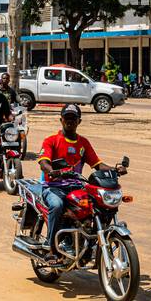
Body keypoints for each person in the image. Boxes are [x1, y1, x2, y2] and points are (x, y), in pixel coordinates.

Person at [35, 104, 125, 263]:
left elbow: (97, 164)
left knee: (96, 206)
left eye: (73, 118)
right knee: (56, 205)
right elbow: (44, 162)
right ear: (61, 120)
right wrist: (51, 171)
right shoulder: (51, 140)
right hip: (53, 187)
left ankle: (89, 243)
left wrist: (115, 169)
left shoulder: (83, 142)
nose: (70, 121)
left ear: (79, 121)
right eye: (67, 118)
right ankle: (51, 248)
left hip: (77, 186)